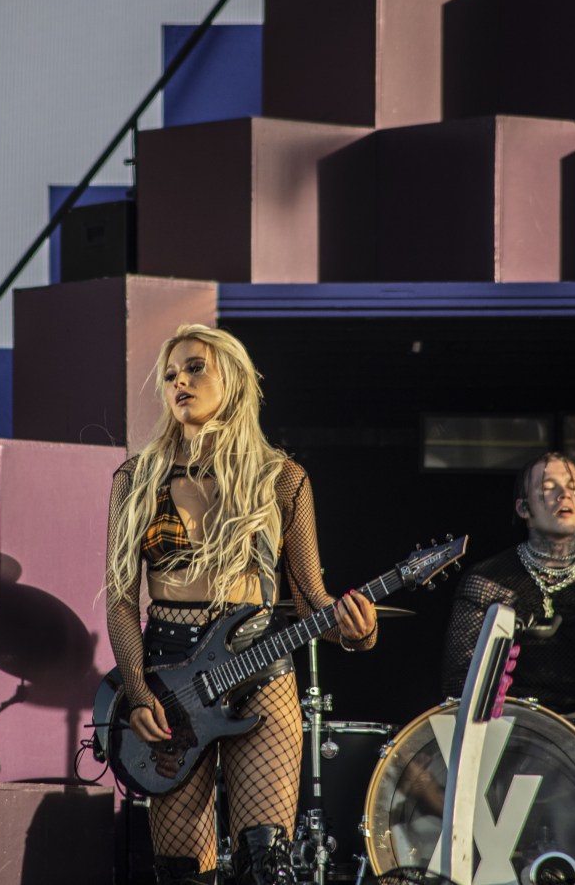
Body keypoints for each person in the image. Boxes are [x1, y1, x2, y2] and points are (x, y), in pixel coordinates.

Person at [105, 324, 378, 885]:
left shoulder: (281, 479)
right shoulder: (136, 478)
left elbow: (311, 600)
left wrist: (357, 632)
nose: (179, 382)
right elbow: (120, 601)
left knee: (266, 865)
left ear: (231, 378)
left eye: (194, 368)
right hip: (169, 676)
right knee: (183, 871)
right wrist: (137, 691)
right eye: (171, 374)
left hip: (261, 668)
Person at [442, 451, 575, 715]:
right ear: (523, 508)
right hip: (510, 728)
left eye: (573, 487)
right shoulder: (488, 580)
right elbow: (459, 683)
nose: (564, 494)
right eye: (549, 487)